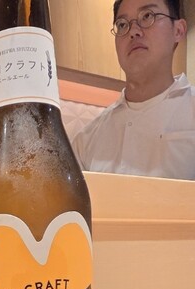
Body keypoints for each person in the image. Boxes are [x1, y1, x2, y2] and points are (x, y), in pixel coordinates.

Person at [71, 0, 195, 180]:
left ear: (178, 30)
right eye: (122, 24)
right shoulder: (86, 141)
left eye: (147, 16)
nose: (133, 31)